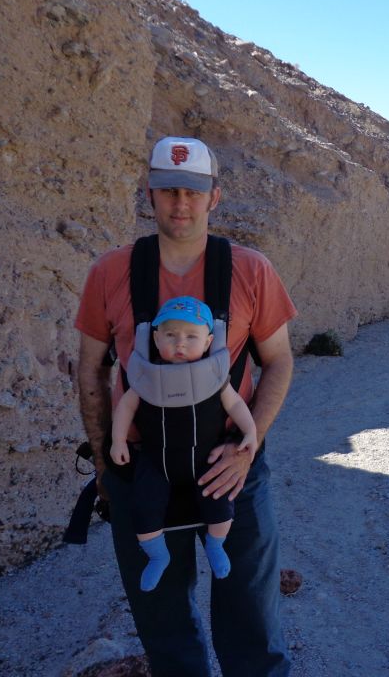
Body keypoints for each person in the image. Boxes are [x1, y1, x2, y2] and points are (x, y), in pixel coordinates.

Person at [76, 136, 296, 676]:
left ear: (214, 197)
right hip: (143, 467)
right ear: (149, 194)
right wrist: (106, 463)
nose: (181, 203)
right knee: (164, 621)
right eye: (169, 190)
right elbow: (91, 369)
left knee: (251, 615)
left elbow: (280, 362)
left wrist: (249, 446)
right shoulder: (111, 272)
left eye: (193, 192)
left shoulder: (251, 270)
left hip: (231, 469)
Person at [109, 295, 260, 592]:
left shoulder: (214, 377)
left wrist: (251, 433)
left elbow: (236, 406)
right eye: (170, 335)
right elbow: (125, 407)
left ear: (208, 342)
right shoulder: (146, 376)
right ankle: (158, 555)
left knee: (219, 500)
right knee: (143, 508)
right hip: (156, 460)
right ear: (155, 338)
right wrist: (117, 441)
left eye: (191, 336)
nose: (180, 343)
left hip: (205, 459)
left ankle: (216, 546)